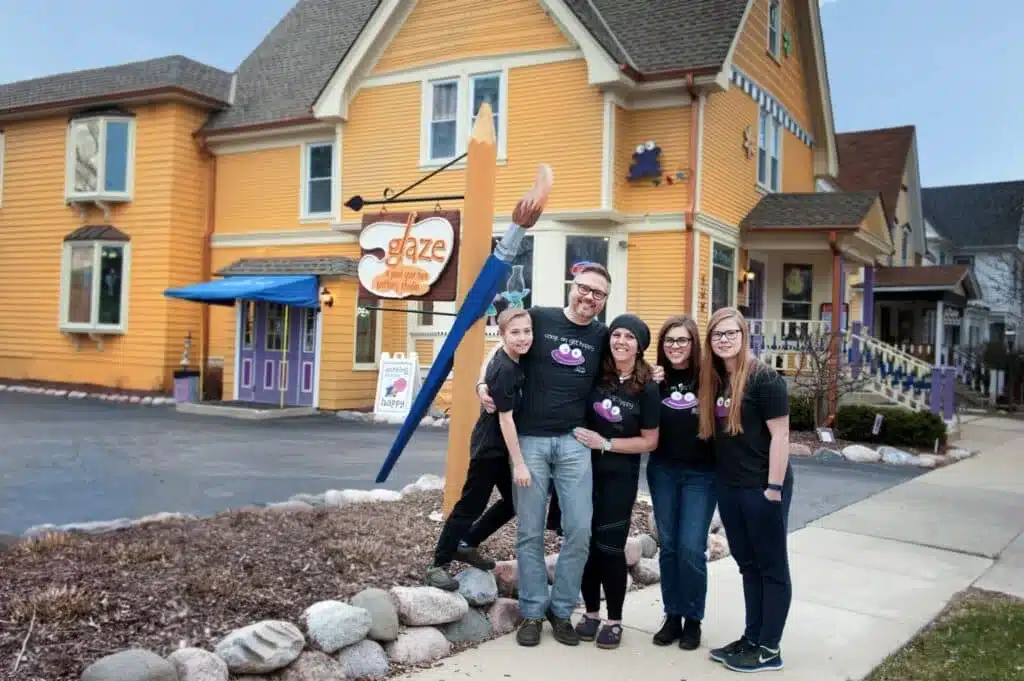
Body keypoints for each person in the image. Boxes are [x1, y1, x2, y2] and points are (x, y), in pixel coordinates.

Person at [477, 263, 611, 648]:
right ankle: (534, 611)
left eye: (597, 293)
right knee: (530, 531)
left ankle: (561, 609)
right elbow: (501, 344)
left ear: (603, 301)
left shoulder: (601, 336)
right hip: (530, 441)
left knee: (580, 529)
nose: (588, 297)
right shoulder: (540, 317)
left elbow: (624, 362)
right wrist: (480, 382)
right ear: (573, 286)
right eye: (584, 288)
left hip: (574, 443)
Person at [698, 307, 794, 673]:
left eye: (730, 333)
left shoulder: (764, 379)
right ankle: (752, 637)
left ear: (743, 335)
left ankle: (770, 648)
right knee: (748, 565)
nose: (724, 340)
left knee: (771, 567)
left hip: (762, 487)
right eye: (717, 335)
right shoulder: (718, 380)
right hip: (731, 487)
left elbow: (781, 436)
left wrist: (773, 488)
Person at [424, 308, 534, 590]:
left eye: (526, 331)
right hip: (490, 448)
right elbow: (505, 419)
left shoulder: (511, 357)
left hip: (501, 447)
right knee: (470, 505)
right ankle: (438, 563)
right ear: (502, 335)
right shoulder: (505, 369)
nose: (523, 338)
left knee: (513, 502)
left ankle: (468, 542)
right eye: (515, 332)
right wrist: (520, 463)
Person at [571, 314, 660, 649]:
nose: (621, 341)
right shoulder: (598, 375)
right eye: (617, 334)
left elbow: (650, 441)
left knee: (609, 550)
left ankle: (614, 619)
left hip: (618, 478)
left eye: (629, 337)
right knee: (584, 546)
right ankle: (591, 613)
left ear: (639, 346)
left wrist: (605, 443)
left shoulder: (648, 387)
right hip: (582, 474)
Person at [646, 315, 717, 651]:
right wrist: (648, 382)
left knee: (691, 547)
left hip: (702, 474)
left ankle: (693, 619)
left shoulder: (709, 378)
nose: (675, 346)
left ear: (693, 344)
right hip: (663, 471)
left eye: (682, 340)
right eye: (669, 341)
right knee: (670, 546)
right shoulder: (653, 379)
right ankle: (672, 615)